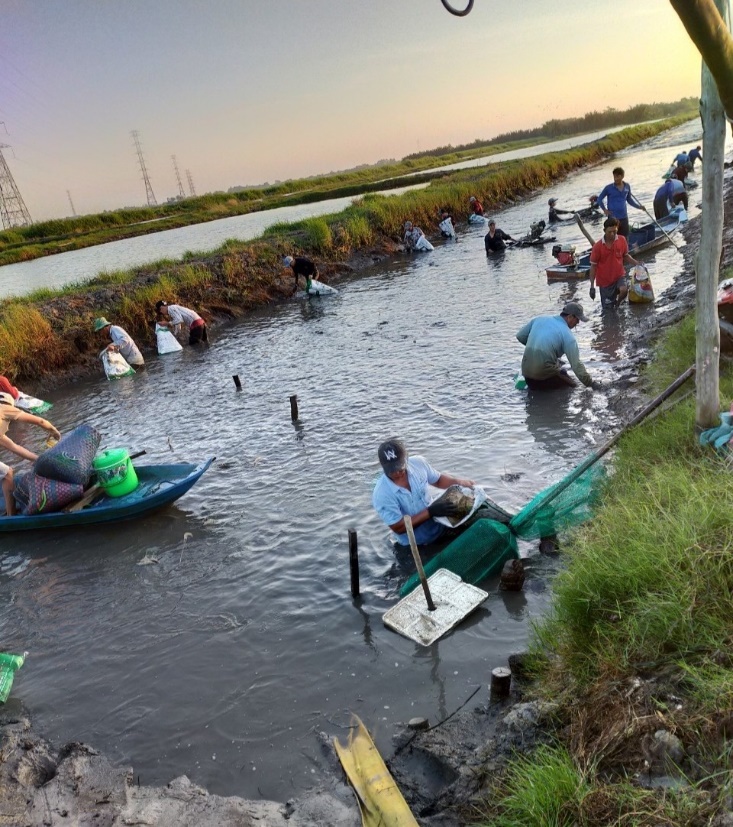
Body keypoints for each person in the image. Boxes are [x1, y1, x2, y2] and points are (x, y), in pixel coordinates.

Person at [372, 437, 476, 547]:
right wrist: (430, 512)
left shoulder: (419, 463)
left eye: (400, 468)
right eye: (392, 470)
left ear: (406, 459)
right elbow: (399, 527)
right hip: (416, 545)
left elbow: (438, 480)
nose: (397, 473)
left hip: (441, 528)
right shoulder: (381, 494)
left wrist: (460, 482)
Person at [0, 392, 61, 516]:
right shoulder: (4, 408)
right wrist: (54, 432)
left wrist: (39, 459)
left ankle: (10, 512)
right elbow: (40, 421)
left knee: (7, 472)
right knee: (7, 474)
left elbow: (16, 448)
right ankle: (11, 515)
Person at [516, 303, 594, 390]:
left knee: (558, 366)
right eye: (577, 319)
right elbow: (576, 365)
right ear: (570, 317)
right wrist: (591, 384)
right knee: (574, 387)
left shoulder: (539, 319)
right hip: (543, 376)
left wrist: (535, 348)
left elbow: (520, 336)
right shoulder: (568, 336)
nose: (578, 323)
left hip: (526, 374)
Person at [588, 217, 641, 308]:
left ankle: (618, 303)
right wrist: (592, 286)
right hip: (605, 282)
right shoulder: (597, 247)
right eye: (610, 232)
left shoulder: (622, 240)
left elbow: (625, 256)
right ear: (604, 230)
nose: (612, 234)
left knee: (624, 290)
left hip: (619, 276)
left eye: (615, 231)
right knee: (608, 309)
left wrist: (637, 263)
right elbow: (593, 267)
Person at [596, 167, 644, 238]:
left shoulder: (627, 186)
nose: (615, 179)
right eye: (614, 176)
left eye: (617, 176)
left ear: (622, 176)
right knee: (614, 237)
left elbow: (629, 199)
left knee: (625, 237)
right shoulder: (608, 188)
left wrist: (639, 207)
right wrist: (604, 210)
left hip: (624, 216)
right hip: (613, 217)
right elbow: (599, 199)